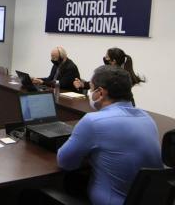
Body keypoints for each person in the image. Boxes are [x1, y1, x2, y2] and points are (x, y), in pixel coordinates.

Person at [57, 65, 163, 205]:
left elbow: (65, 162)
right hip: (147, 200)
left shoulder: (92, 121)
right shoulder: (147, 119)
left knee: (34, 193)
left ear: (100, 93)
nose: (89, 92)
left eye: (91, 88)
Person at [73, 47, 144, 105]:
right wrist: (83, 84)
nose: (104, 59)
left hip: (119, 107)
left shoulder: (118, 75)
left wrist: (86, 86)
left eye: (106, 57)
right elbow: (100, 83)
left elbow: (101, 85)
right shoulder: (117, 73)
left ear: (113, 61)